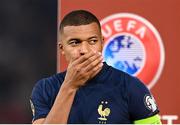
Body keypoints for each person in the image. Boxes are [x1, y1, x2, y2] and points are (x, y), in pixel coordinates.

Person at [30, 10, 162, 124]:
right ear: (62, 48)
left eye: (93, 41)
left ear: (102, 43)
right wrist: (70, 86)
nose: (84, 50)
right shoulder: (45, 89)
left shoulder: (130, 87)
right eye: (75, 43)